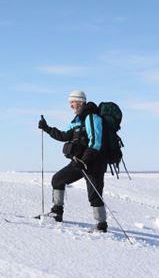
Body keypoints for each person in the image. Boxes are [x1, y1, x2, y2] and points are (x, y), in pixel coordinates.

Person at [38, 90, 108, 232]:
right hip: (78, 162)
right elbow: (64, 135)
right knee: (58, 180)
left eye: (73, 102)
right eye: (70, 102)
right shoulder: (77, 120)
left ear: (81, 102)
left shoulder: (92, 118)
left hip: (94, 163)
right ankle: (57, 213)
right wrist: (47, 128)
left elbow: (95, 142)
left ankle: (101, 225)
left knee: (94, 195)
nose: (70, 105)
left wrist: (84, 160)